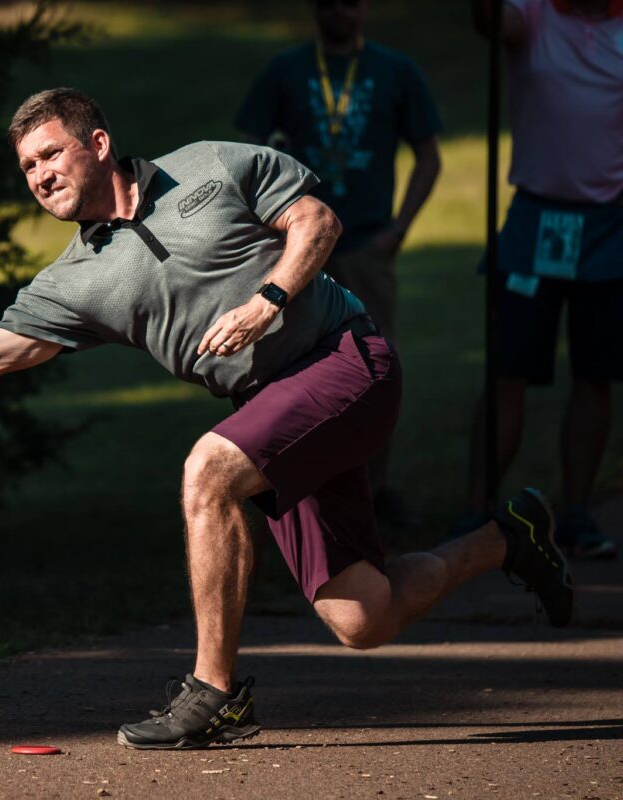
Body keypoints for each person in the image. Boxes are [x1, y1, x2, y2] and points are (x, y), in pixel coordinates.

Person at [0, 89, 572, 749]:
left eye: (51, 155)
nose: (38, 175)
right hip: (271, 410)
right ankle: (509, 536)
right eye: (27, 166)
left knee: (209, 469)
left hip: (345, 359)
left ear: (97, 144)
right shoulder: (77, 281)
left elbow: (319, 224)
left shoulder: (209, 166)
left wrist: (268, 302)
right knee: (362, 616)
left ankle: (215, 693)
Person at [234, 0, 443, 530]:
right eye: (329, 3)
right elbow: (246, 148)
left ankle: (376, 488)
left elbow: (429, 155)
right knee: (295, 363)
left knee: (376, 363)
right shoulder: (286, 71)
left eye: (349, 2)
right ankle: (306, 491)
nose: (340, 12)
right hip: (299, 248)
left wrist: (399, 230)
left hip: (369, 244)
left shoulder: (396, 71)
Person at [457, 0, 622, 559]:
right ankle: (477, 510)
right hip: (537, 219)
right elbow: (488, 21)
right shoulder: (532, 12)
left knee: (595, 374)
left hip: (609, 225)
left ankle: (576, 514)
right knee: (510, 370)